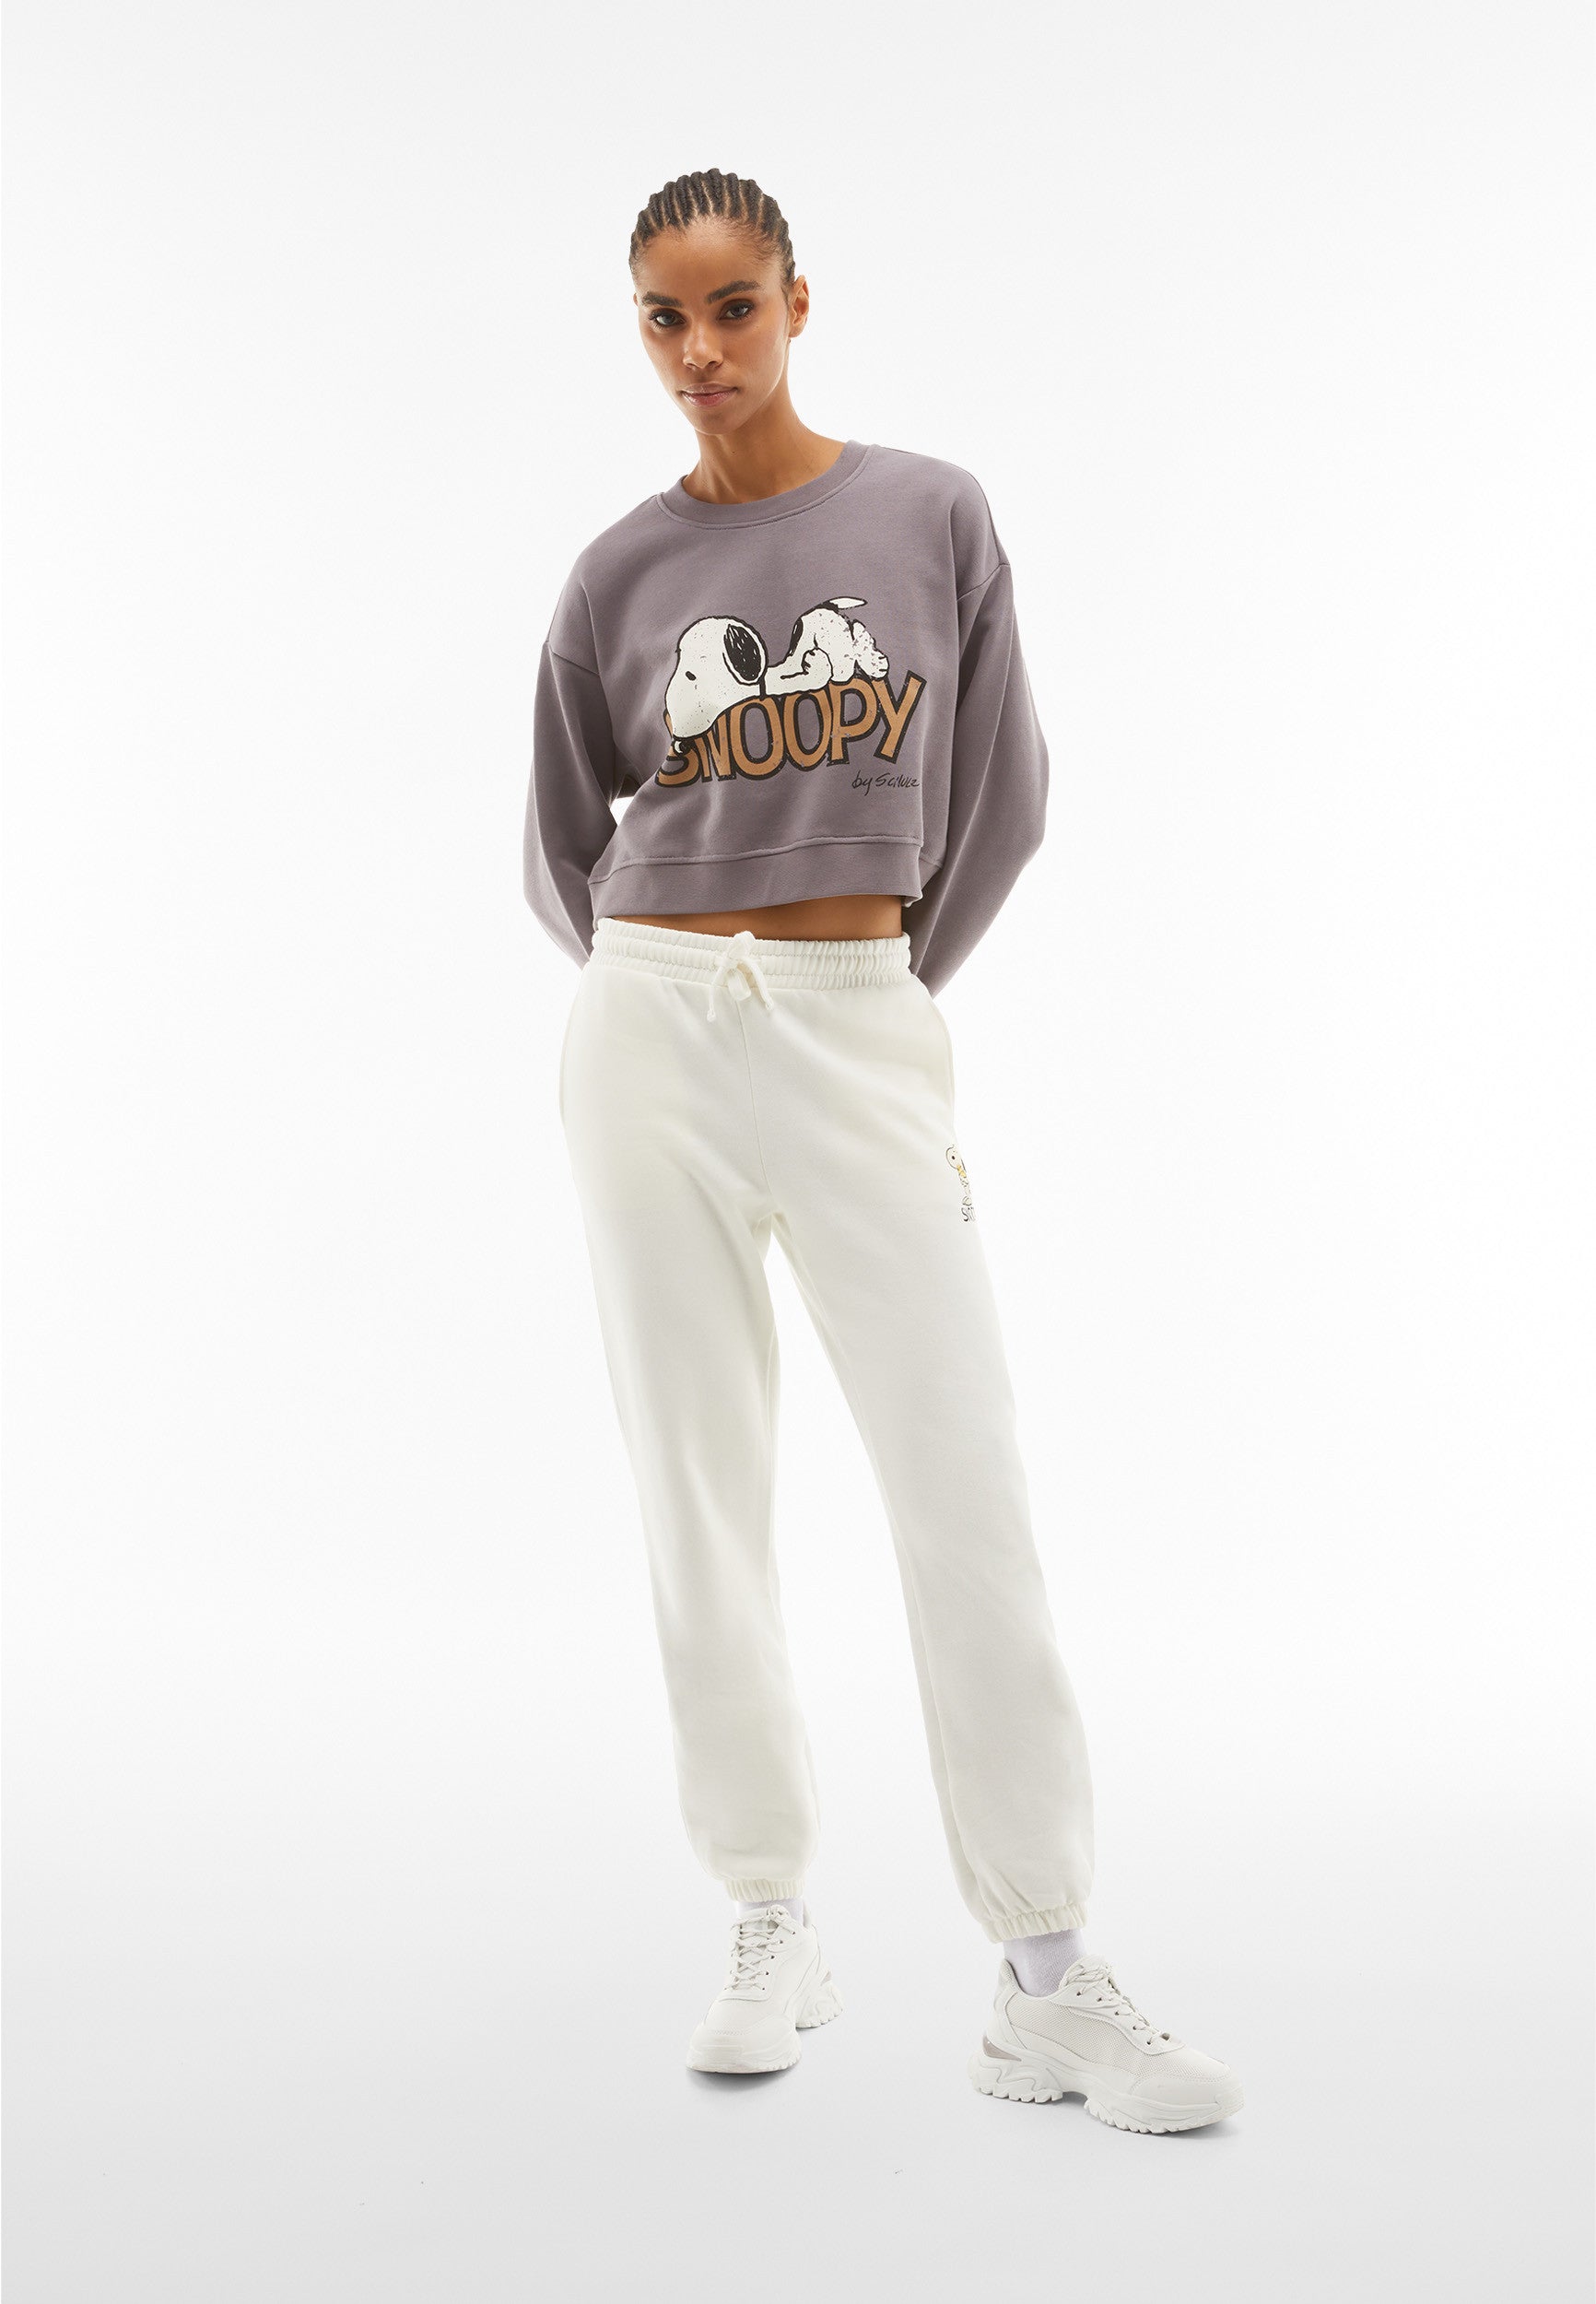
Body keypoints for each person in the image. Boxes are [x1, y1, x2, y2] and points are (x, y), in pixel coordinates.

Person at [523, 167, 1243, 2134]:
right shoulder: (612, 573)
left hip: (857, 1027)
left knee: (961, 1487)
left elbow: (1003, 794)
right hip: (650, 1030)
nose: (701, 351)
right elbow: (562, 846)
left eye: (732, 306)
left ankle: (1044, 1974)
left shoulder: (928, 513)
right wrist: (665, 988)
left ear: (795, 300)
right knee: (699, 1485)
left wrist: (875, 997)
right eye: (664, 318)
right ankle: (768, 1912)